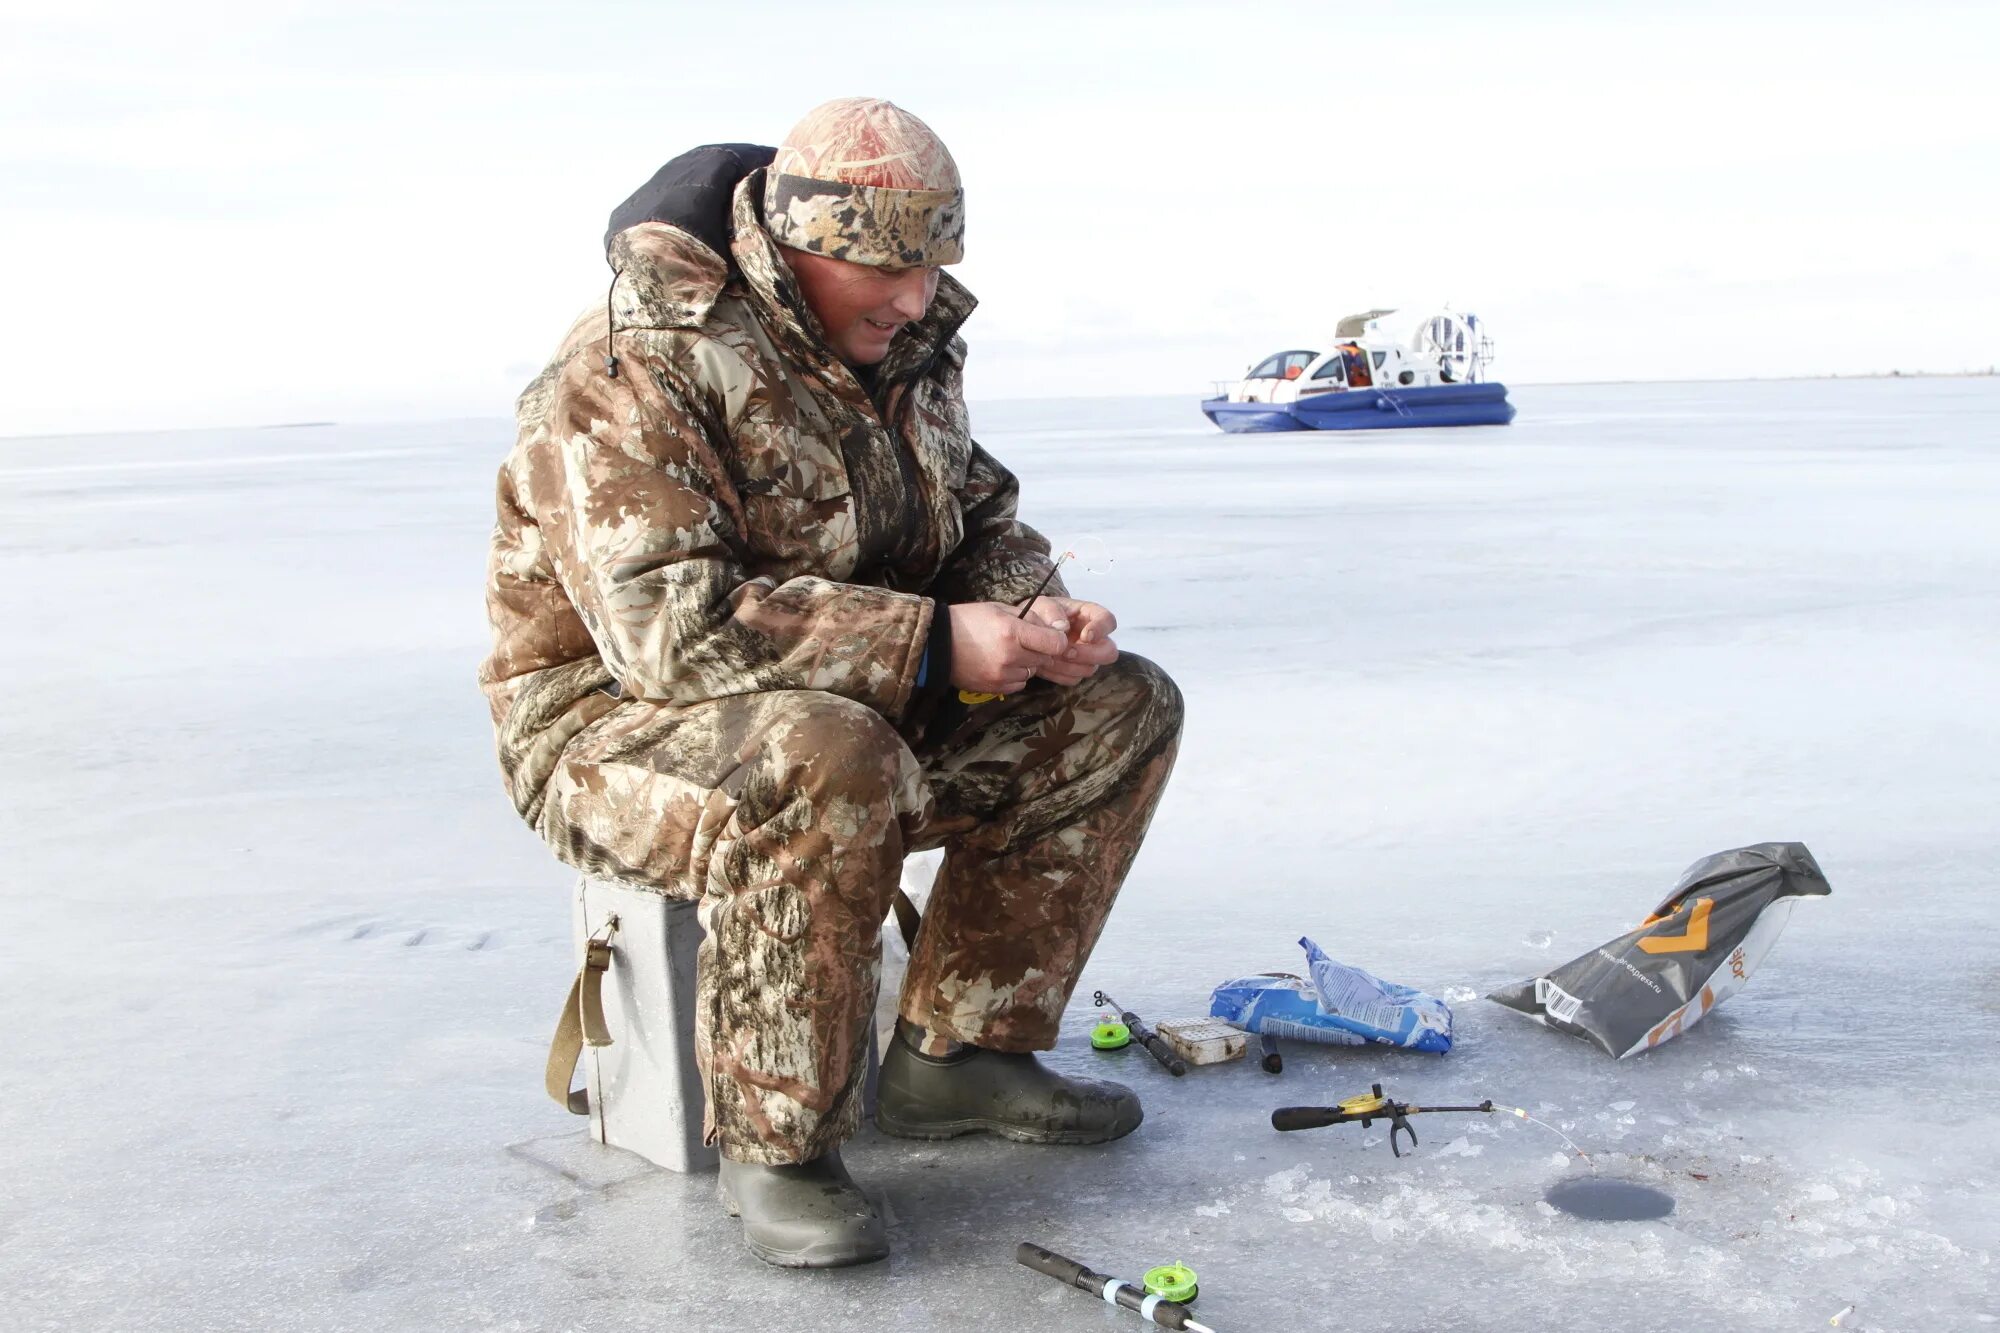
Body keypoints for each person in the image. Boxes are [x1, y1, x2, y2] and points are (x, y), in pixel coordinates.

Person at [478, 97, 1183, 1268]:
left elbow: (979, 515)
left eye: (933, 264)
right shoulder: (630, 363)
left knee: (1116, 707)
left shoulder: (901, 348)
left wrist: (1025, 607)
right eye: (888, 268)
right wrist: (930, 645)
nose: (916, 297)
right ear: (797, 244)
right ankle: (778, 1146)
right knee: (823, 757)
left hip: (848, 699)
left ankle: (959, 1055)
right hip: (608, 731)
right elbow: (666, 630)